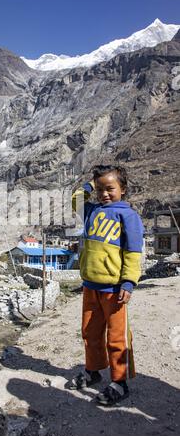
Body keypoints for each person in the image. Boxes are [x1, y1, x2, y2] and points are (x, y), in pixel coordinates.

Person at [66, 165, 144, 406]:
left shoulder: (128, 216)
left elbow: (133, 253)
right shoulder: (90, 210)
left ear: (123, 189)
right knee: (90, 332)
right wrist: (91, 183)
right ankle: (93, 371)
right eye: (100, 189)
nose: (104, 194)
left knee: (117, 337)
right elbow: (76, 198)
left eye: (110, 188)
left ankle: (120, 382)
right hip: (90, 286)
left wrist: (129, 282)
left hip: (114, 290)